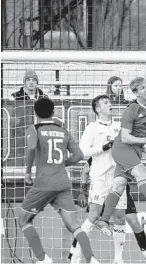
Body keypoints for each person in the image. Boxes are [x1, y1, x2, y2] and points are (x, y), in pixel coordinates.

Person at [18, 97, 99, 264]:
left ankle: (43, 259)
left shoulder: (34, 129)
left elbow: (32, 148)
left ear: (35, 113)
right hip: (63, 182)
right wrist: (63, 163)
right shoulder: (63, 131)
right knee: (74, 226)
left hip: (44, 183)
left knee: (23, 220)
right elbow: (79, 155)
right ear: (54, 112)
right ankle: (91, 260)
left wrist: (27, 172)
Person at [95, 77, 146, 236]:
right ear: (136, 93)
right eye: (142, 88)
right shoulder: (132, 109)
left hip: (135, 151)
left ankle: (103, 219)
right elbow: (125, 137)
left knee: (118, 185)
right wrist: (145, 141)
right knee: (141, 174)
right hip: (122, 148)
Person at [68, 94, 128, 264]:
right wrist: (103, 147)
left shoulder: (119, 126)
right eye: (106, 103)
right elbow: (82, 153)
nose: (110, 105)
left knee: (119, 217)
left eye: (110, 102)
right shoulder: (92, 128)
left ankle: (118, 258)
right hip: (100, 175)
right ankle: (76, 257)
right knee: (93, 215)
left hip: (118, 175)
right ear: (98, 109)